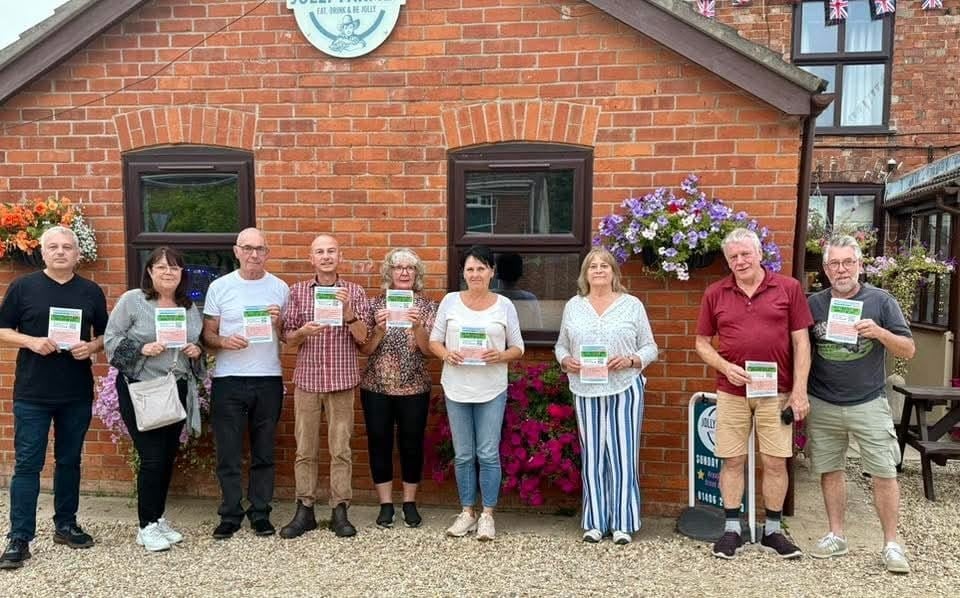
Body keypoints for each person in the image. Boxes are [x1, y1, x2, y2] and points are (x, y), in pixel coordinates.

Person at [695, 227, 812, 560]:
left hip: (777, 392)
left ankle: (772, 531)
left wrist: (799, 391)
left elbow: (801, 341)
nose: (740, 261)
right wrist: (724, 366)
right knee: (732, 460)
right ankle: (732, 528)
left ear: (760, 254)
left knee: (775, 462)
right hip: (732, 391)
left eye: (746, 254)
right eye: (733, 257)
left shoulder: (788, 288)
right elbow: (701, 343)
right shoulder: (715, 293)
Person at [806, 235, 915, 574]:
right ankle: (836, 535)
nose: (842, 269)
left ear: (860, 265)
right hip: (822, 401)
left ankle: (891, 544)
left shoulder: (881, 301)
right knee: (830, 469)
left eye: (848, 262)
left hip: (868, 402)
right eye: (835, 263)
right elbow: (799, 348)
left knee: (883, 472)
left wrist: (880, 333)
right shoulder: (813, 304)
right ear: (825, 269)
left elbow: (908, 350)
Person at [0, 226, 108, 570]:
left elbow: (105, 335)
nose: (60, 252)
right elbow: (2, 329)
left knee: (69, 461)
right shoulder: (23, 287)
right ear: (42, 252)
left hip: (75, 392)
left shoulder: (90, 291)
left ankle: (65, 524)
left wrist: (90, 347)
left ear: (78, 254)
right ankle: (19, 537)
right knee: (28, 465)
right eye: (53, 247)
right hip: (33, 393)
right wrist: (31, 341)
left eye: (67, 247)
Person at [555, 247, 658, 545]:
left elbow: (650, 347)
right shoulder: (574, 306)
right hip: (585, 389)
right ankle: (595, 521)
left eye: (604, 266)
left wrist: (631, 361)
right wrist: (566, 361)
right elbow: (561, 346)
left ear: (614, 272)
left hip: (625, 387)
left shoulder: (632, 305)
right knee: (593, 456)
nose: (599, 270)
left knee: (623, 454)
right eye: (593, 266)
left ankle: (623, 522)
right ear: (585, 274)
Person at [103, 247, 204, 552]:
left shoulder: (187, 307)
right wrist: (141, 350)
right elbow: (110, 342)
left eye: (174, 268)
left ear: (181, 273)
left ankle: (158, 518)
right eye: (161, 267)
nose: (168, 273)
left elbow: (197, 347)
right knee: (151, 458)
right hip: (141, 388)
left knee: (167, 456)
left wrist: (195, 352)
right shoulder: (133, 300)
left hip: (176, 388)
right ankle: (145, 526)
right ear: (149, 271)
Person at [429, 245, 524, 541]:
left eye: (481, 268)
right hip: (457, 387)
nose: (475, 274)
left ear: (492, 272)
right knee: (464, 454)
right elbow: (434, 341)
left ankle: (488, 515)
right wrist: (447, 355)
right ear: (463, 273)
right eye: (470, 269)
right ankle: (467, 512)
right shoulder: (450, 301)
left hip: (491, 389)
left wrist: (500, 355)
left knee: (488, 453)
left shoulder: (504, 305)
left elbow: (518, 348)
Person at [280, 234, 369, 539]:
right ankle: (304, 509)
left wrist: (348, 314)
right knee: (305, 449)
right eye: (320, 251)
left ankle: (339, 509)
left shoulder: (354, 292)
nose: (326, 256)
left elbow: (364, 338)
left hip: (342, 380)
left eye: (331, 250)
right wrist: (302, 332)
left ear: (339, 256)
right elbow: (287, 337)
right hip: (308, 380)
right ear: (312, 258)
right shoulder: (298, 292)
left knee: (340, 449)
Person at [202, 228, 289, 540]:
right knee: (228, 451)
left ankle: (260, 513)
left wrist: (278, 322)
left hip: (268, 376)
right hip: (229, 379)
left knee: (265, 450)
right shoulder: (220, 287)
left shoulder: (280, 288)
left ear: (267, 253)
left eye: (260, 249)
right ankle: (230, 513)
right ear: (236, 251)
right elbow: (207, 334)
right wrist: (224, 340)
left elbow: (287, 336)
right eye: (248, 248)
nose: (254, 254)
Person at [358, 248, 437, 529]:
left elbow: (429, 351)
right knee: (379, 442)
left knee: (412, 444)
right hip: (376, 386)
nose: (404, 272)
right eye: (398, 267)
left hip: (414, 386)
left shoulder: (427, 307)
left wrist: (417, 328)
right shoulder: (375, 305)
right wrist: (379, 329)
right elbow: (365, 348)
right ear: (388, 272)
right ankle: (386, 504)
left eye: (410, 268)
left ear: (417, 274)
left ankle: (409, 503)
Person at [495, 253, 543, 330]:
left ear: (497, 273)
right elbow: (538, 329)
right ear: (520, 274)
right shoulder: (530, 299)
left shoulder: (490, 296)